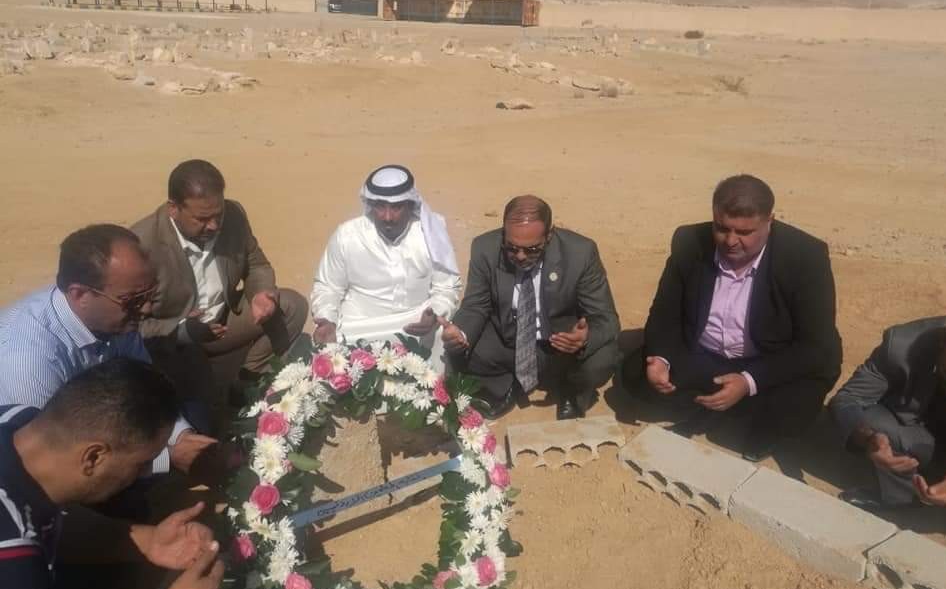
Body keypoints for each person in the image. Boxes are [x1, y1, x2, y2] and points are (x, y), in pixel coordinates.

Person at [632, 174, 842, 460]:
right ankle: (719, 405)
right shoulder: (690, 241)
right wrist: (661, 359)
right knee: (635, 373)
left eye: (744, 232)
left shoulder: (805, 257)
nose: (731, 241)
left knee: (794, 408)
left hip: (769, 360)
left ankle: (755, 420)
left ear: (770, 221)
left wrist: (748, 381)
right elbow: (665, 311)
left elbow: (815, 346)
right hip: (707, 356)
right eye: (721, 228)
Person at [0, 359, 223, 589]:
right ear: (94, 457)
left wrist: (149, 541)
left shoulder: (19, 422)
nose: (145, 473)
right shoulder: (12, 555)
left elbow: (54, 517)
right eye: (141, 463)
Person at [0, 224, 214, 475]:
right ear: (80, 295)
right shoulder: (28, 358)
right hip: (36, 462)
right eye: (134, 300)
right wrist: (168, 457)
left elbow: (144, 385)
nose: (146, 309)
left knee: (195, 422)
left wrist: (183, 437)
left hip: (93, 421)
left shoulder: (117, 317)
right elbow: (44, 461)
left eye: (150, 294)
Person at [133, 160, 309, 426]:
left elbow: (256, 263)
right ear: (173, 209)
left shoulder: (234, 215)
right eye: (202, 219)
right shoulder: (140, 245)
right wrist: (182, 330)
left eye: (218, 214)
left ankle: (246, 380)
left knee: (291, 306)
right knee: (207, 418)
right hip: (174, 342)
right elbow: (132, 326)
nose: (214, 225)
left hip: (223, 324)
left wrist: (261, 294)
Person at [442, 195, 620, 420]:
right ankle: (504, 386)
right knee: (460, 352)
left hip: (562, 346)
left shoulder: (580, 253)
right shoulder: (485, 248)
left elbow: (606, 317)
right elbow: (476, 305)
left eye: (533, 249)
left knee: (603, 359)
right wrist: (461, 332)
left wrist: (584, 338)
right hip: (509, 342)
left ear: (549, 235)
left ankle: (573, 391)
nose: (520, 256)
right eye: (512, 248)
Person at [310, 165, 462, 368]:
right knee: (327, 340)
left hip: (416, 325)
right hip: (359, 326)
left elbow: (447, 287)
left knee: (444, 333)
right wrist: (327, 321)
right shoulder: (347, 235)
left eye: (396, 207)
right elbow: (328, 287)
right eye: (380, 206)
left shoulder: (431, 232)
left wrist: (435, 314)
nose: (387, 216)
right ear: (370, 204)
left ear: (410, 204)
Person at [830, 313, 946, 509]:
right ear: (942, 343)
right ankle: (902, 498)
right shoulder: (901, 345)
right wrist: (869, 439)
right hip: (921, 435)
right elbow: (849, 398)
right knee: (873, 422)